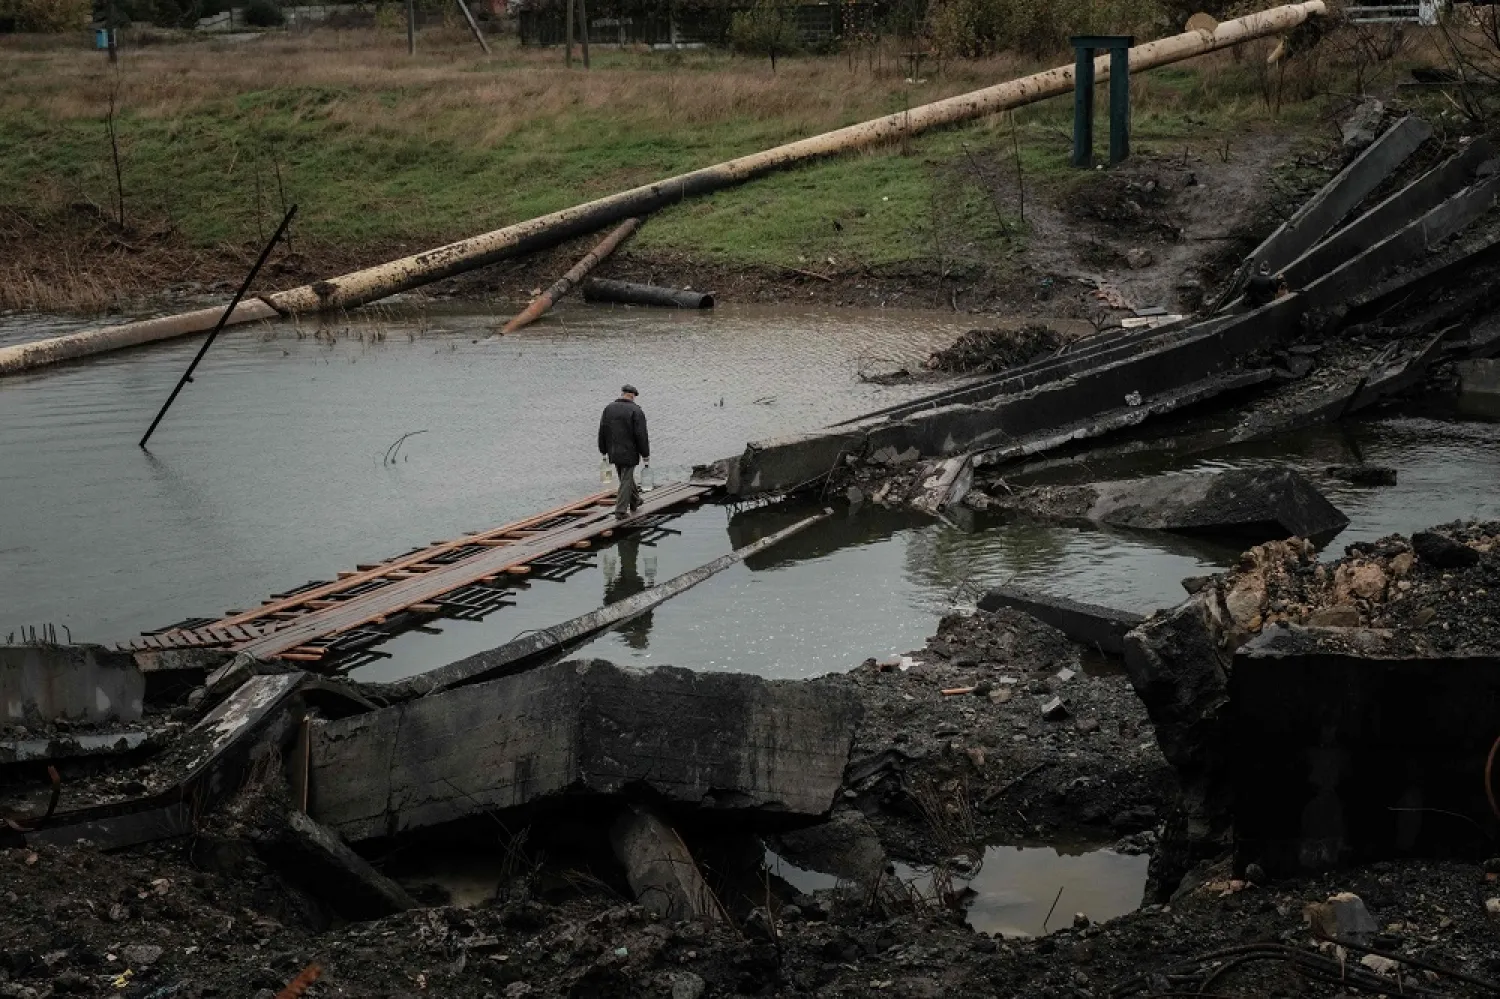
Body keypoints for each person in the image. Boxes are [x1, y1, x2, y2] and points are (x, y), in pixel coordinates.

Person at [598, 384, 650, 520]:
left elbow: (602, 429)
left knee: (625, 477)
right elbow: (641, 435)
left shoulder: (608, 409)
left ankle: (635, 501)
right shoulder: (636, 411)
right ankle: (620, 511)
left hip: (613, 451)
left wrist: (603, 449)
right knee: (626, 479)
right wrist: (645, 454)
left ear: (622, 393)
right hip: (629, 452)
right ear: (633, 396)